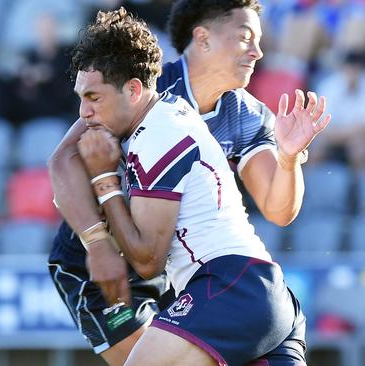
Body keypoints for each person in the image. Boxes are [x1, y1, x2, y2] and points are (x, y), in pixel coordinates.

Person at [47, 2, 330, 365]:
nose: (258, 51)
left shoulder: (243, 114)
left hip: (194, 270)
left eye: (259, 40)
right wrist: (98, 244)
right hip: (104, 261)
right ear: (203, 38)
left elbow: (278, 210)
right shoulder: (145, 88)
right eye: (245, 37)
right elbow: (62, 160)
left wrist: (288, 160)